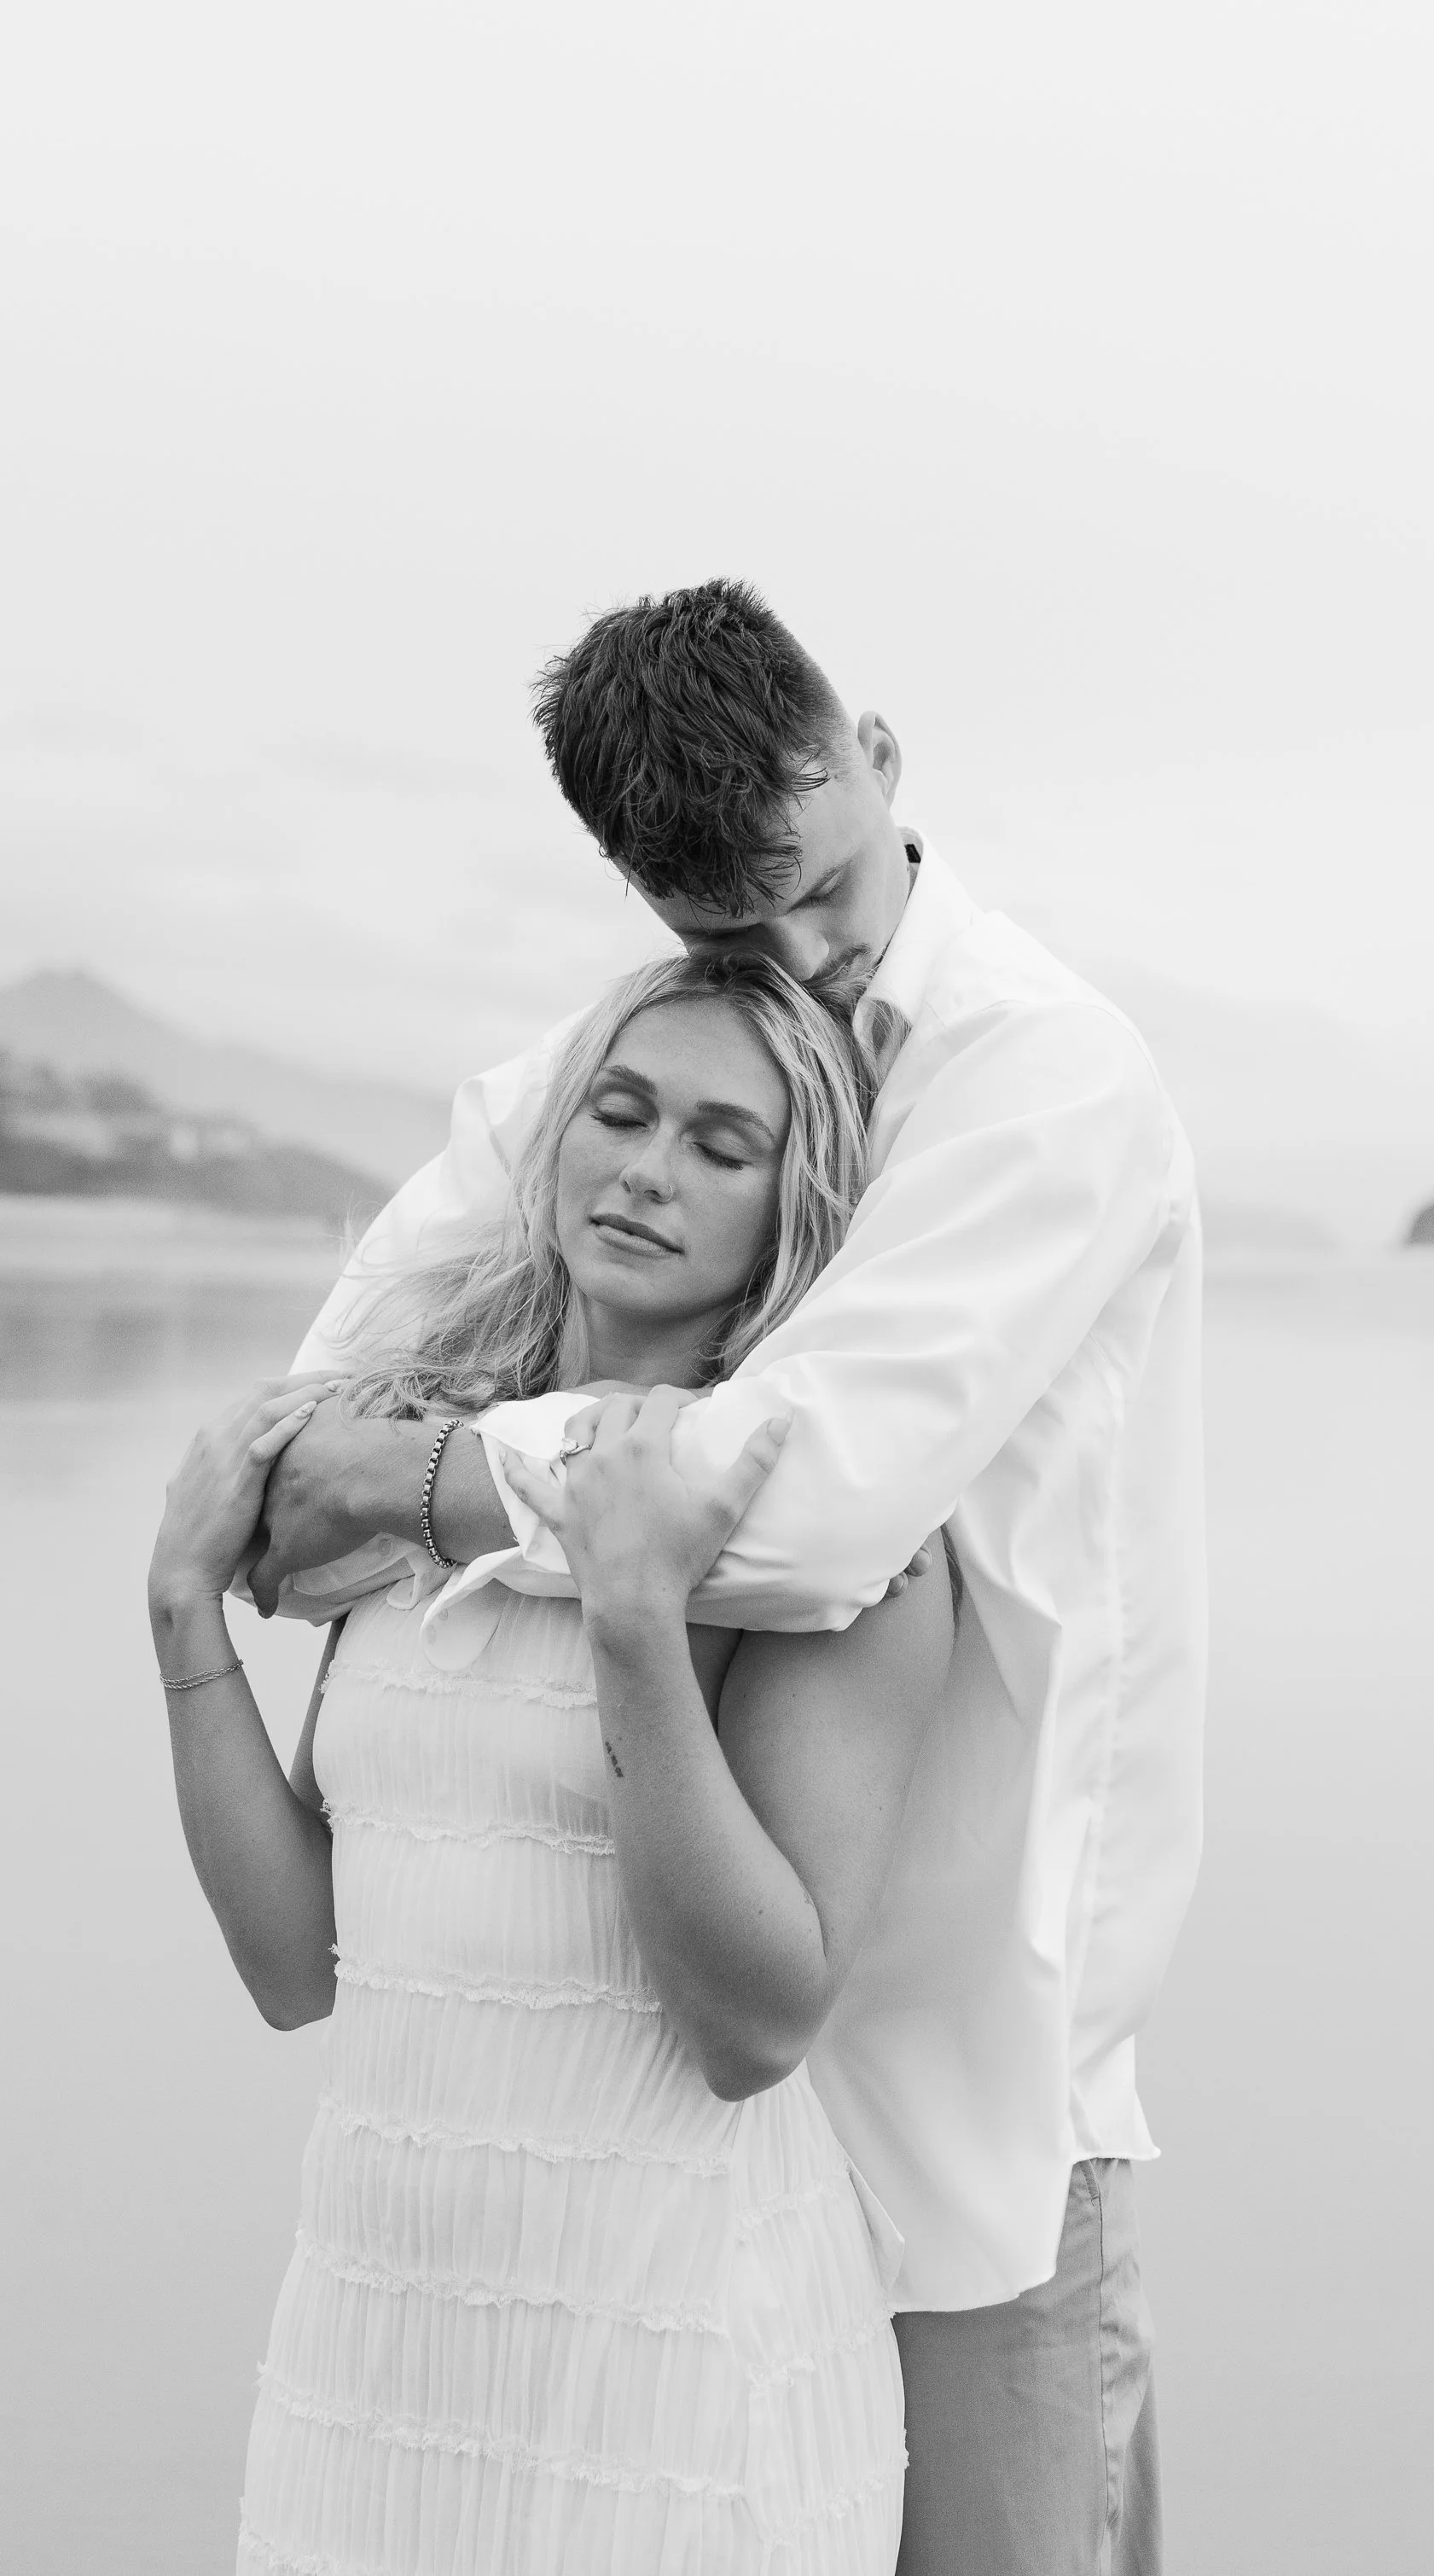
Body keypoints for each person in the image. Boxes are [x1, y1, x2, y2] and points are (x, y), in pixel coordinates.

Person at [253, 579, 1208, 2576]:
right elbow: (299, 1441)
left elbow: (806, 1507)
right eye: (730, 928)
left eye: (827, 888)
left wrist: (420, 1475)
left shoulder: (1049, 1076)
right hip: (675, 2115)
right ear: (646, 891)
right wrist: (346, 1482)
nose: (807, 959)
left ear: (876, 757)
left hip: (969, 2089)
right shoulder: (645, 1051)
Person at [149, 952, 954, 2574]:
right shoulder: (409, 1464)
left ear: (791, 1206)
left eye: (720, 1145)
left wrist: (638, 1624)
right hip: (374, 2351)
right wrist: (184, 1613)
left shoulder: (818, 1537)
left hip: (671, 2366)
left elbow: (755, 2026)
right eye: (622, 1111)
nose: (648, 1169)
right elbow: (298, 1965)